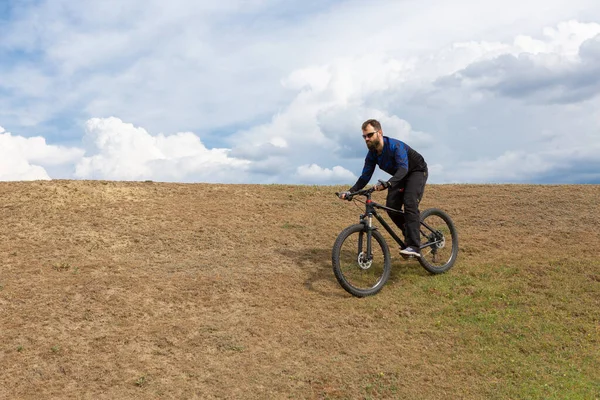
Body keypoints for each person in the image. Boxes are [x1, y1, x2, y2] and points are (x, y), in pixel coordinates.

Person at [339, 119, 428, 257]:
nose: (366, 139)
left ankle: (415, 246)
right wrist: (351, 192)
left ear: (379, 133)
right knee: (391, 207)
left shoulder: (395, 146)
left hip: (416, 171)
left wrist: (387, 183)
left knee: (410, 202)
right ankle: (409, 235)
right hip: (399, 176)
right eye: (364, 136)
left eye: (369, 135)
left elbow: (403, 169)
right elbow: (365, 177)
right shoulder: (372, 154)